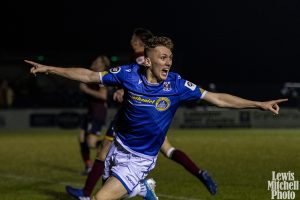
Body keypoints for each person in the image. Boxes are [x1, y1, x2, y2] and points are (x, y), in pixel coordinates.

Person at [25, 36, 287, 200]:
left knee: (101, 198)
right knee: (116, 190)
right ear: (147, 61)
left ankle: (137, 183)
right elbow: (89, 76)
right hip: (117, 147)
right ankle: (141, 189)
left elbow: (217, 98)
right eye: (163, 57)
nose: (169, 62)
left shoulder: (177, 85)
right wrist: (51, 69)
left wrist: (258, 104)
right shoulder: (128, 73)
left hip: (140, 158)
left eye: (170, 57)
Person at [65, 28, 217, 200]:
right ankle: (185, 176)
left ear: (138, 42)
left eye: (133, 37)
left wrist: (122, 91)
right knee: (167, 150)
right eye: (163, 57)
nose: (131, 40)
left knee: (102, 154)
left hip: (133, 117)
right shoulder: (137, 65)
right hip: (145, 120)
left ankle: (88, 193)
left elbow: (139, 81)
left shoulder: (140, 58)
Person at [77, 55, 110, 175]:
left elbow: (103, 96)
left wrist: (86, 90)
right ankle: (88, 166)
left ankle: (111, 146)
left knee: (91, 143)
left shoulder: (101, 78)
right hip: (90, 112)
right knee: (81, 138)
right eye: (94, 61)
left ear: (102, 66)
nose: (94, 63)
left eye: (97, 62)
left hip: (97, 113)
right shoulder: (92, 76)